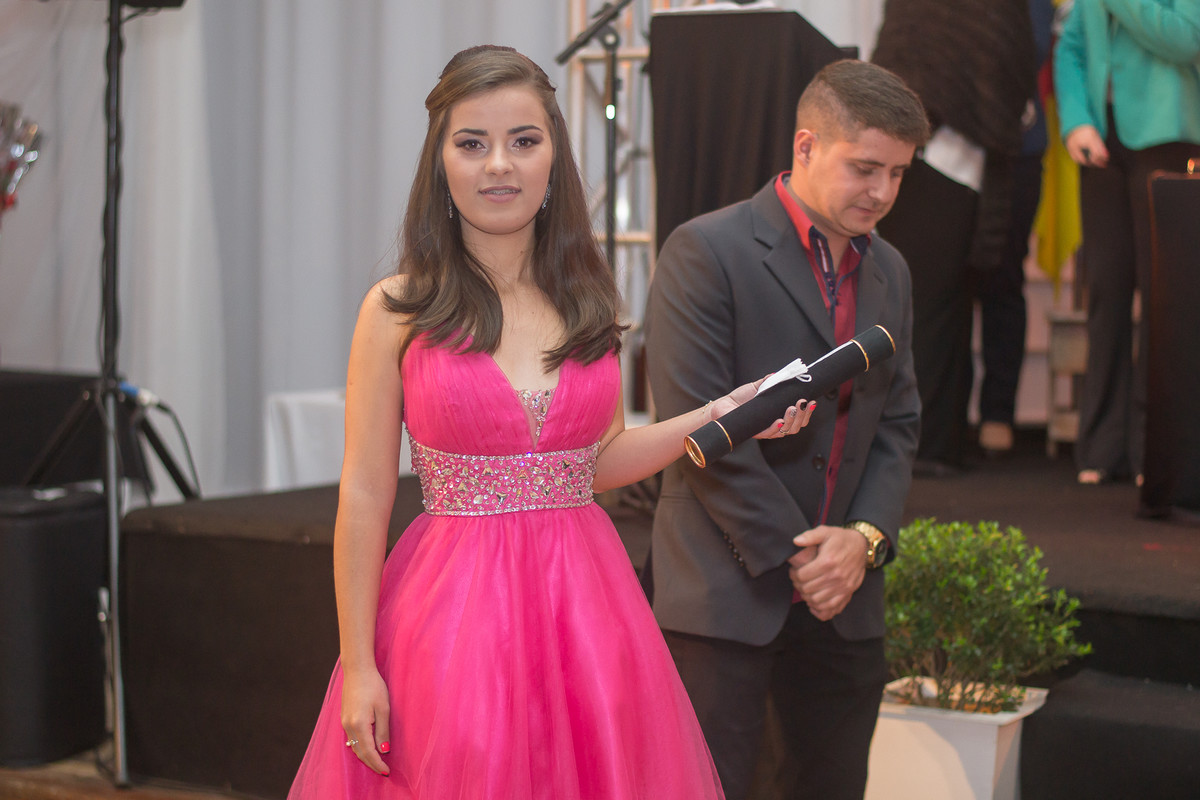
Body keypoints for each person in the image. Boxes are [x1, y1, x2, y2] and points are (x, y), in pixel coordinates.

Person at [286, 45, 812, 800]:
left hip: (586, 616)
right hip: (452, 619)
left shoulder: (588, 301)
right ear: (440, 162)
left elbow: (599, 463)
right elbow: (365, 496)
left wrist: (723, 416)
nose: (499, 165)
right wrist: (360, 666)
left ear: (554, 157)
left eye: (524, 141)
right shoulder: (397, 309)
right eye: (473, 143)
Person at [642, 59, 927, 800]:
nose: (883, 192)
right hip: (725, 590)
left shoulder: (892, 270)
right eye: (865, 168)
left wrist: (862, 541)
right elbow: (696, 426)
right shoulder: (705, 250)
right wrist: (805, 557)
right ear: (805, 146)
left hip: (845, 598)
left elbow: (898, 421)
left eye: (898, 174)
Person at [872, 0, 1038, 473]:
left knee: (940, 304)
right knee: (919, 302)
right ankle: (928, 441)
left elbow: (1010, 58)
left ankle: (932, 442)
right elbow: (895, 64)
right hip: (911, 159)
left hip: (956, 160)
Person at [1053, 0, 1200, 485]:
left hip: (1170, 137)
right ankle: (1101, 446)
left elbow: (1187, 39)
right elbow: (1071, 46)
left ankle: (1153, 452)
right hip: (1101, 141)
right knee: (1106, 290)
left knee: (1163, 299)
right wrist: (1076, 119)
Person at [976, 0, 1058, 454]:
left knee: (1004, 278)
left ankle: (998, 411)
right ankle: (943, 420)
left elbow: (1034, 46)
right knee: (945, 285)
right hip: (951, 144)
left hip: (1018, 148)